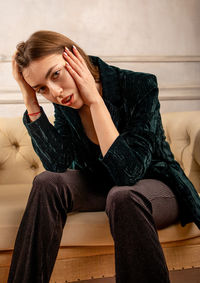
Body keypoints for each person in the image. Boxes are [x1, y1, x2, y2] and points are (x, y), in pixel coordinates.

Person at [8, 30, 200, 283]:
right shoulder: (62, 100)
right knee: (47, 181)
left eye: (56, 74)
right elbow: (58, 164)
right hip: (100, 183)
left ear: (74, 56)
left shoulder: (139, 85)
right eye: (42, 88)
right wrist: (30, 99)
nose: (55, 92)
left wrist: (95, 102)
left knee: (123, 195)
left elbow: (128, 174)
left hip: (155, 184)